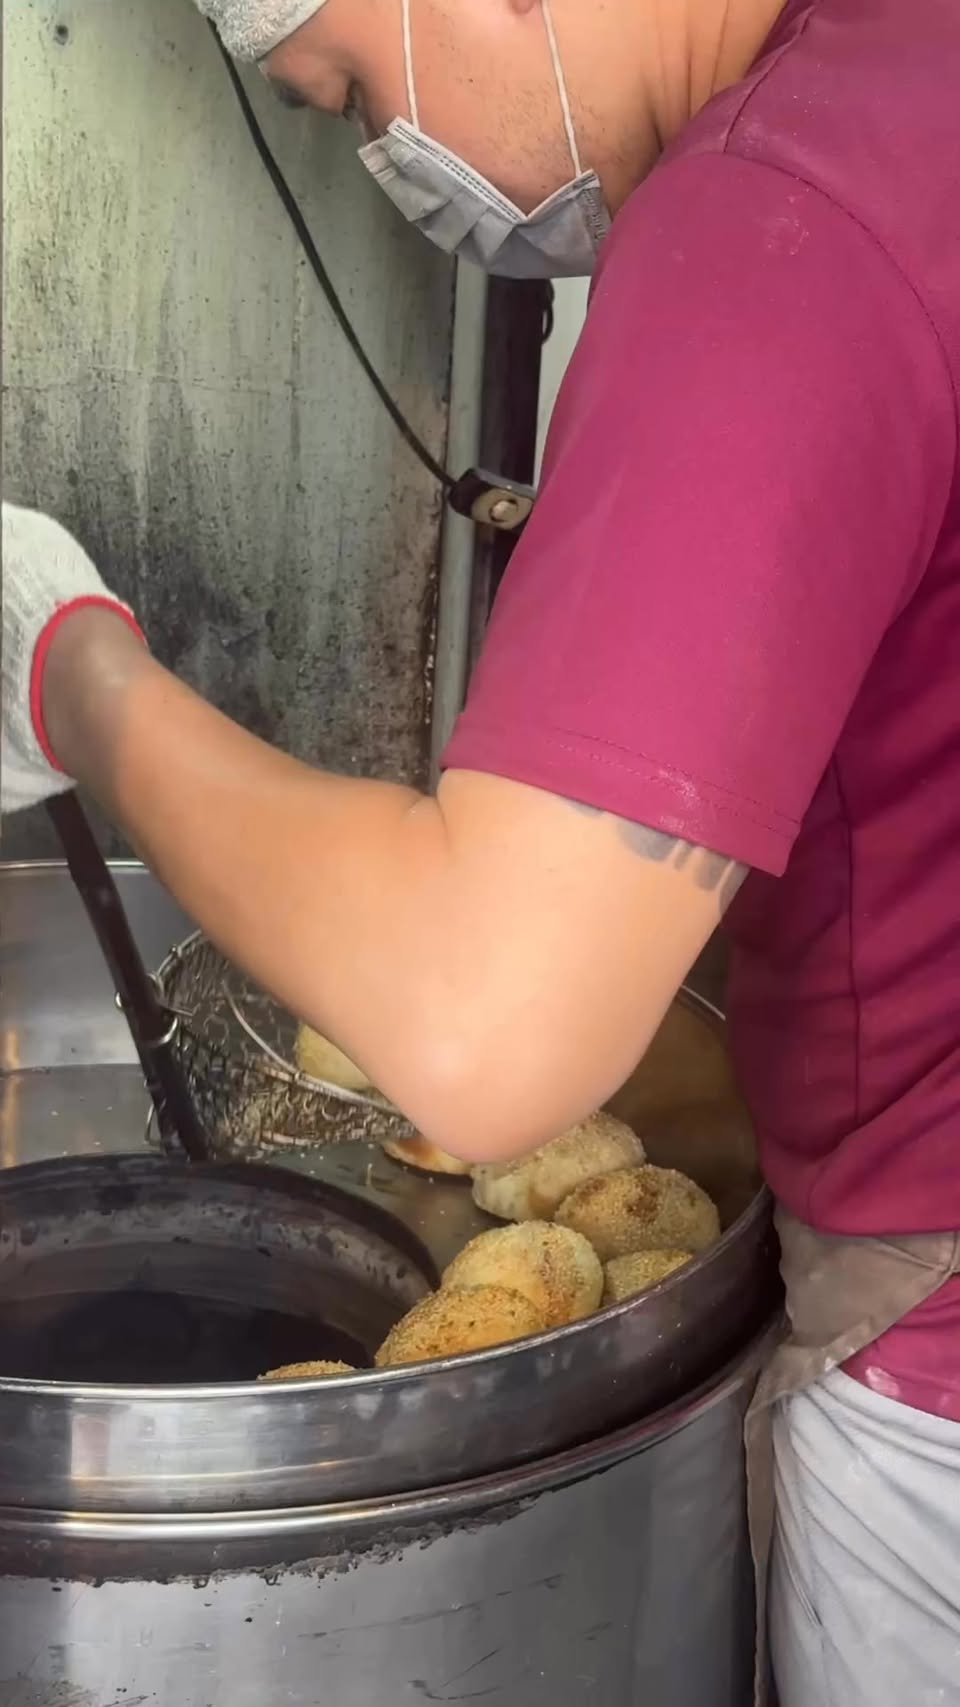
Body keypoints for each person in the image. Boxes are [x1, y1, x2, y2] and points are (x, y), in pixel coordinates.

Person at [2, 1, 958, 1701]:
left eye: (350, 91)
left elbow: (484, 1025)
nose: (391, 164)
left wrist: (69, 669)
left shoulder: (780, 220)